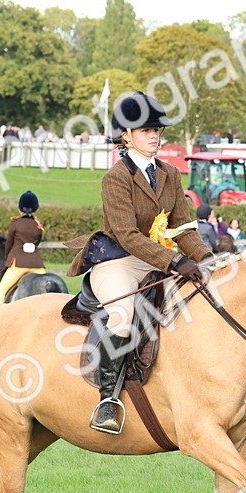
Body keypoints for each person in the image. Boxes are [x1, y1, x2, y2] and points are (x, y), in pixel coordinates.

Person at [64, 91, 212, 433]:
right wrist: (175, 261)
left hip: (158, 261)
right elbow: (127, 234)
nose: (155, 135)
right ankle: (108, 400)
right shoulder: (115, 178)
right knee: (123, 313)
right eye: (147, 130)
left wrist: (207, 259)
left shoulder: (170, 174)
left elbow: (181, 228)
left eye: (157, 130)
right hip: (119, 261)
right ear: (126, 135)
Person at [0, 191, 48, 302]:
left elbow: (9, 244)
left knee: (1, 290)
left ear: (20, 208)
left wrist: (7, 261)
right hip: (37, 264)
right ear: (36, 208)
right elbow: (37, 242)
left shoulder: (15, 223)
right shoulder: (38, 225)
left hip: (18, 264)